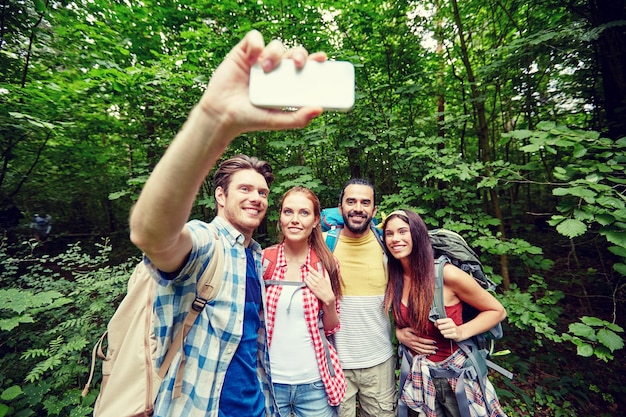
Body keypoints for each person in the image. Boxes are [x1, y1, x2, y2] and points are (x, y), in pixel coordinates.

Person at [129, 31, 329, 416]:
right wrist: (213, 121)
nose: (256, 198)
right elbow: (151, 234)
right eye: (245, 190)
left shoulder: (254, 257)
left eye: (263, 192)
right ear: (220, 196)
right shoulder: (207, 244)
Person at [383, 209, 508, 417]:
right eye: (389, 233)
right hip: (417, 376)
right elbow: (406, 317)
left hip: (454, 379)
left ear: (417, 234)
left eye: (403, 231)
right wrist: (399, 333)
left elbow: (497, 310)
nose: (396, 239)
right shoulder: (393, 276)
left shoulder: (445, 274)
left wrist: (460, 331)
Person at [263, 186, 346, 417]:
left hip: (314, 384)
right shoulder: (263, 261)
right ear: (280, 217)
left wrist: (328, 300)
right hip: (270, 382)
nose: (295, 220)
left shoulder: (326, 265)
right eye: (288, 212)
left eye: (304, 213)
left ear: (316, 220)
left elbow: (331, 328)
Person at [329, 179, 397, 417]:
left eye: (365, 202)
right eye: (351, 201)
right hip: (334, 363)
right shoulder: (324, 246)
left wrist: (405, 332)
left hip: (379, 362)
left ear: (374, 210)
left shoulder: (389, 247)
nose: (358, 207)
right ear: (340, 208)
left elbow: (407, 294)